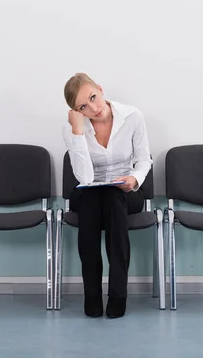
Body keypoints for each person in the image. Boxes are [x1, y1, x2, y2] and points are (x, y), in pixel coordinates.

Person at [62, 73, 152, 319]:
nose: (93, 108)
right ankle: (92, 296)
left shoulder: (132, 117)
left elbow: (144, 159)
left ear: (100, 89)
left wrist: (134, 179)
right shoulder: (72, 128)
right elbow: (84, 177)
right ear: (76, 111)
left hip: (126, 190)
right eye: (83, 107)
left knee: (113, 200)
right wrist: (78, 132)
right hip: (89, 191)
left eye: (93, 97)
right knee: (93, 200)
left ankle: (117, 295)